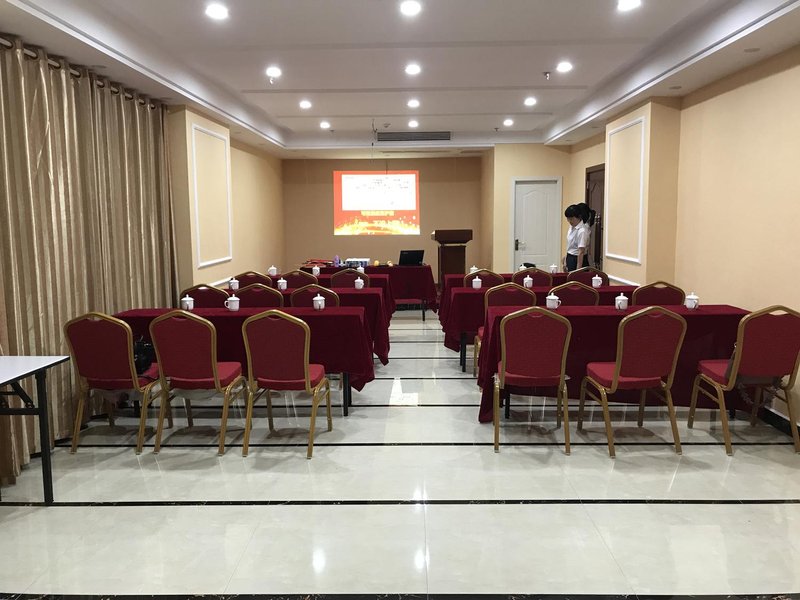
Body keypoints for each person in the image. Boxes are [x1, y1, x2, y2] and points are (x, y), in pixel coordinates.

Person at [563, 204, 590, 272]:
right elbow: (569, 245)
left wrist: (578, 270)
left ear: (579, 217)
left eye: (571, 218)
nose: (569, 221)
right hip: (570, 257)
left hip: (578, 259)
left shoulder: (582, 230)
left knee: (576, 278)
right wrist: (565, 260)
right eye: (568, 218)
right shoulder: (571, 227)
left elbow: (581, 252)